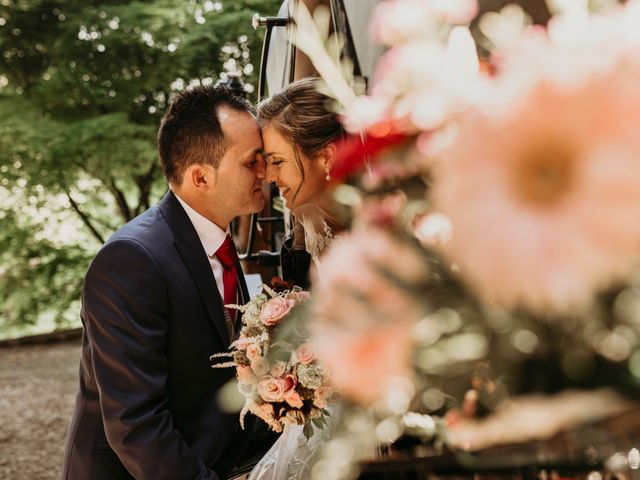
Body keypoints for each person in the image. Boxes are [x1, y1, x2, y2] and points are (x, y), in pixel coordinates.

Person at [62, 85, 268, 480]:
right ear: (200, 177)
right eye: (251, 162)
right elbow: (137, 424)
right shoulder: (130, 261)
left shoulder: (220, 244)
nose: (265, 172)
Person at [248, 77, 346, 480]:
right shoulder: (308, 213)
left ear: (326, 157)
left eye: (278, 160)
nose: (268, 175)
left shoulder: (388, 213)